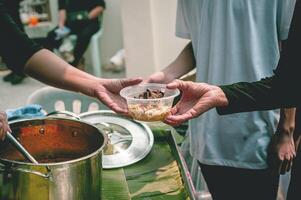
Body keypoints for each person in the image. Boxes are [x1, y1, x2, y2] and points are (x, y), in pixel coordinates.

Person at [146, 0, 296, 199]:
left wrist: (287, 129)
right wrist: (165, 75)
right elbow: (202, 41)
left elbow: (292, 55)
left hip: (257, 129)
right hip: (207, 131)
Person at [0, 0, 141, 139]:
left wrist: (96, 84)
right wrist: (61, 26)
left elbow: (23, 52)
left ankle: (75, 60)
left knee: (83, 36)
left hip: (86, 23)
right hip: (71, 24)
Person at [46, 0, 105, 66]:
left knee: (84, 36)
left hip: (89, 22)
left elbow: (100, 7)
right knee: (51, 36)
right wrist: (61, 26)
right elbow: (62, 10)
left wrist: (85, 18)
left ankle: (75, 62)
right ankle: (58, 61)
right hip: (70, 23)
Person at [2, 0, 27, 84]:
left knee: (15, 39)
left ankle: (20, 72)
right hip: (6, 7)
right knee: (7, 42)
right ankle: (15, 70)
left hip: (10, 7)